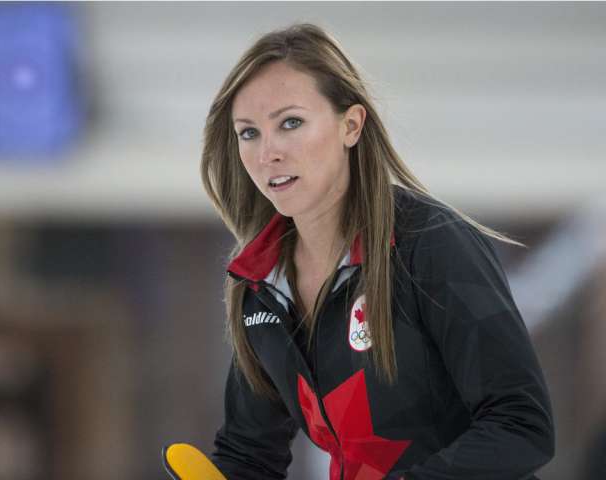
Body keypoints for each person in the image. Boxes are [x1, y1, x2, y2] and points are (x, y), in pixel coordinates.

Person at [199, 22, 555, 480]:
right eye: (248, 133)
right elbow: (249, 456)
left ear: (351, 125)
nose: (268, 153)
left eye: (290, 123)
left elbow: (522, 427)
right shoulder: (261, 285)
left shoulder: (432, 244)